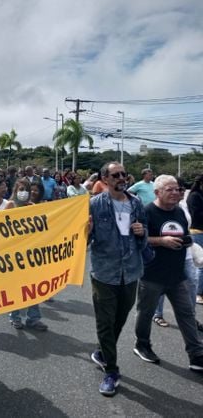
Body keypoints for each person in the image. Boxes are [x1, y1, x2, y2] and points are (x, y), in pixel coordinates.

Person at [88, 162, 148, 397]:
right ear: (105, 178)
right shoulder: (95, 205)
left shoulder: (136, 203)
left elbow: (144, 238)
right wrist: (87, 230)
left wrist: (142, 232)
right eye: (116, 175)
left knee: (119, 320)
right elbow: (85, 240)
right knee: (105, 323)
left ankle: (103, 353)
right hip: (104, 274)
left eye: (124, 174)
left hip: (131, 271)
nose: (122, 178)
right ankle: (111, 372)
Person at [133, 174, 203, 371]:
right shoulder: (146, 212)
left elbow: (185, 234)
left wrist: (188, 241)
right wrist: (161, 241)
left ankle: (196, 355)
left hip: (177, 275)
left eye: (177, 189)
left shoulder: (179, 212)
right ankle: (142, 344)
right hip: (152, 274)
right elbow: (137, 240)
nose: (176, 193)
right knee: (145, 313)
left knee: (186, 314)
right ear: (157, 192)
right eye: (169, 190)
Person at [6, 181, 48, 331]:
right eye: (21, 189)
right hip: (13, 253)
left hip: (30, 253)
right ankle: (15, 317)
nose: (23, 192)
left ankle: (33, 318)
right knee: (15, 287)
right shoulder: (10, 206)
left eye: (26, 190)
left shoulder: (32, 207)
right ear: (16, 190)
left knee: (33, 288)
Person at [187, 175, 203, 305]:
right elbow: (197, 215)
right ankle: (198, 293)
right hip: (197, 231)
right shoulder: (194, 196)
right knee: (200, 264)